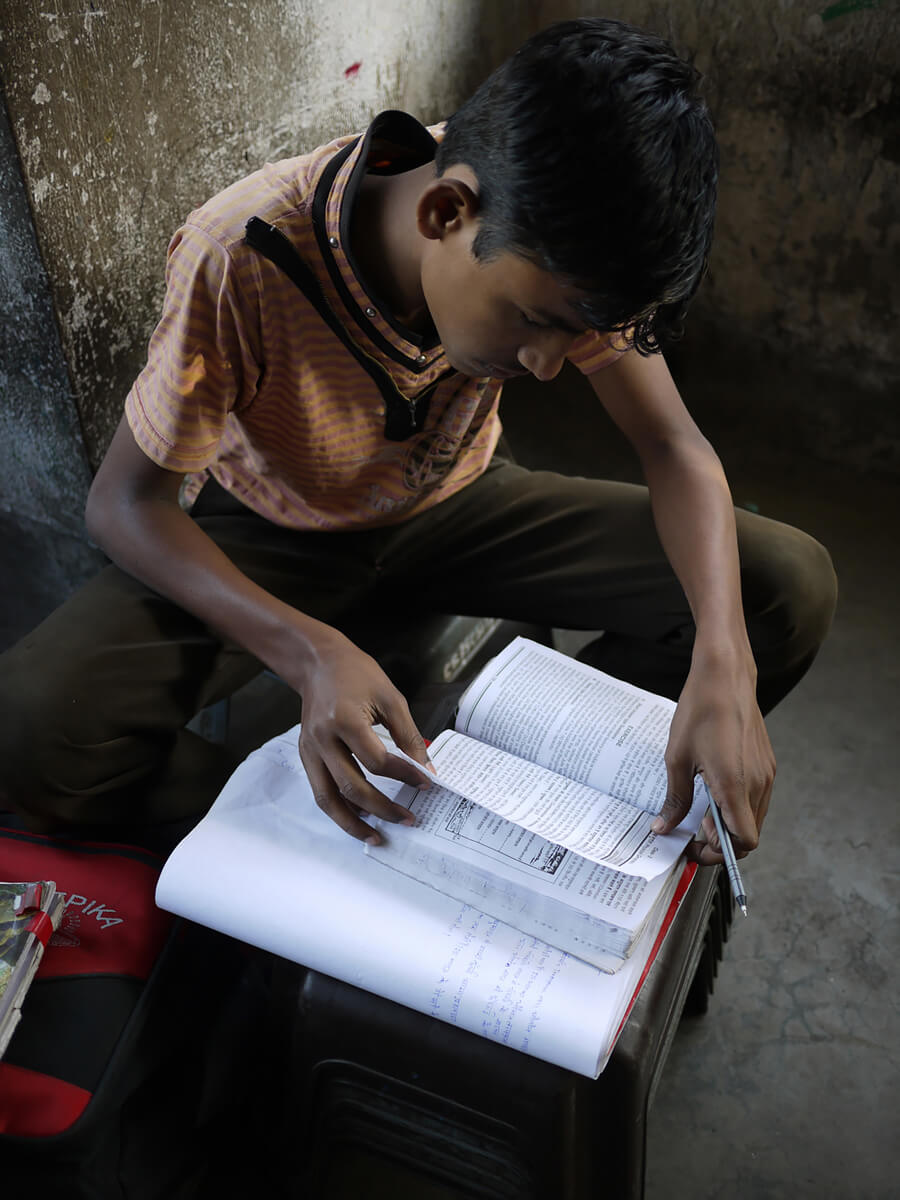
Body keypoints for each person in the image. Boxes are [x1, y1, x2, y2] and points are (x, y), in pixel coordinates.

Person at [0, 18, 835, 863]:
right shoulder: (242, 254)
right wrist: (311, 651)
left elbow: (673, 446)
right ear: (445, 211)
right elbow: (122, 504)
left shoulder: (561, 224)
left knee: (782, 585)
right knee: (34, 729)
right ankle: (334, 836)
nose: (551, 366)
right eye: (536, 324)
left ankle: (537, 799)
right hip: (278, 530)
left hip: (461, 501)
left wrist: (725, 660)